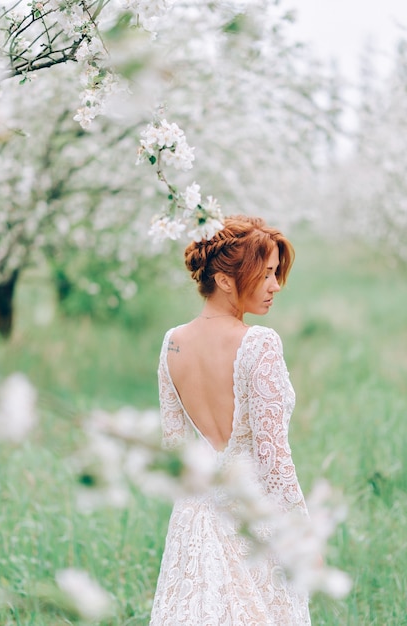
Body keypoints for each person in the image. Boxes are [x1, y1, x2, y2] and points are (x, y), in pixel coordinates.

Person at [149, 215, 311, 625]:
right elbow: (275, 461)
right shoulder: (259, 343)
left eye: (277, 274)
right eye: (267, 274)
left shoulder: (173, 344)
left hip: (192, 521)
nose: (276, 286)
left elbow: (175, 453)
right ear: (224, 280)